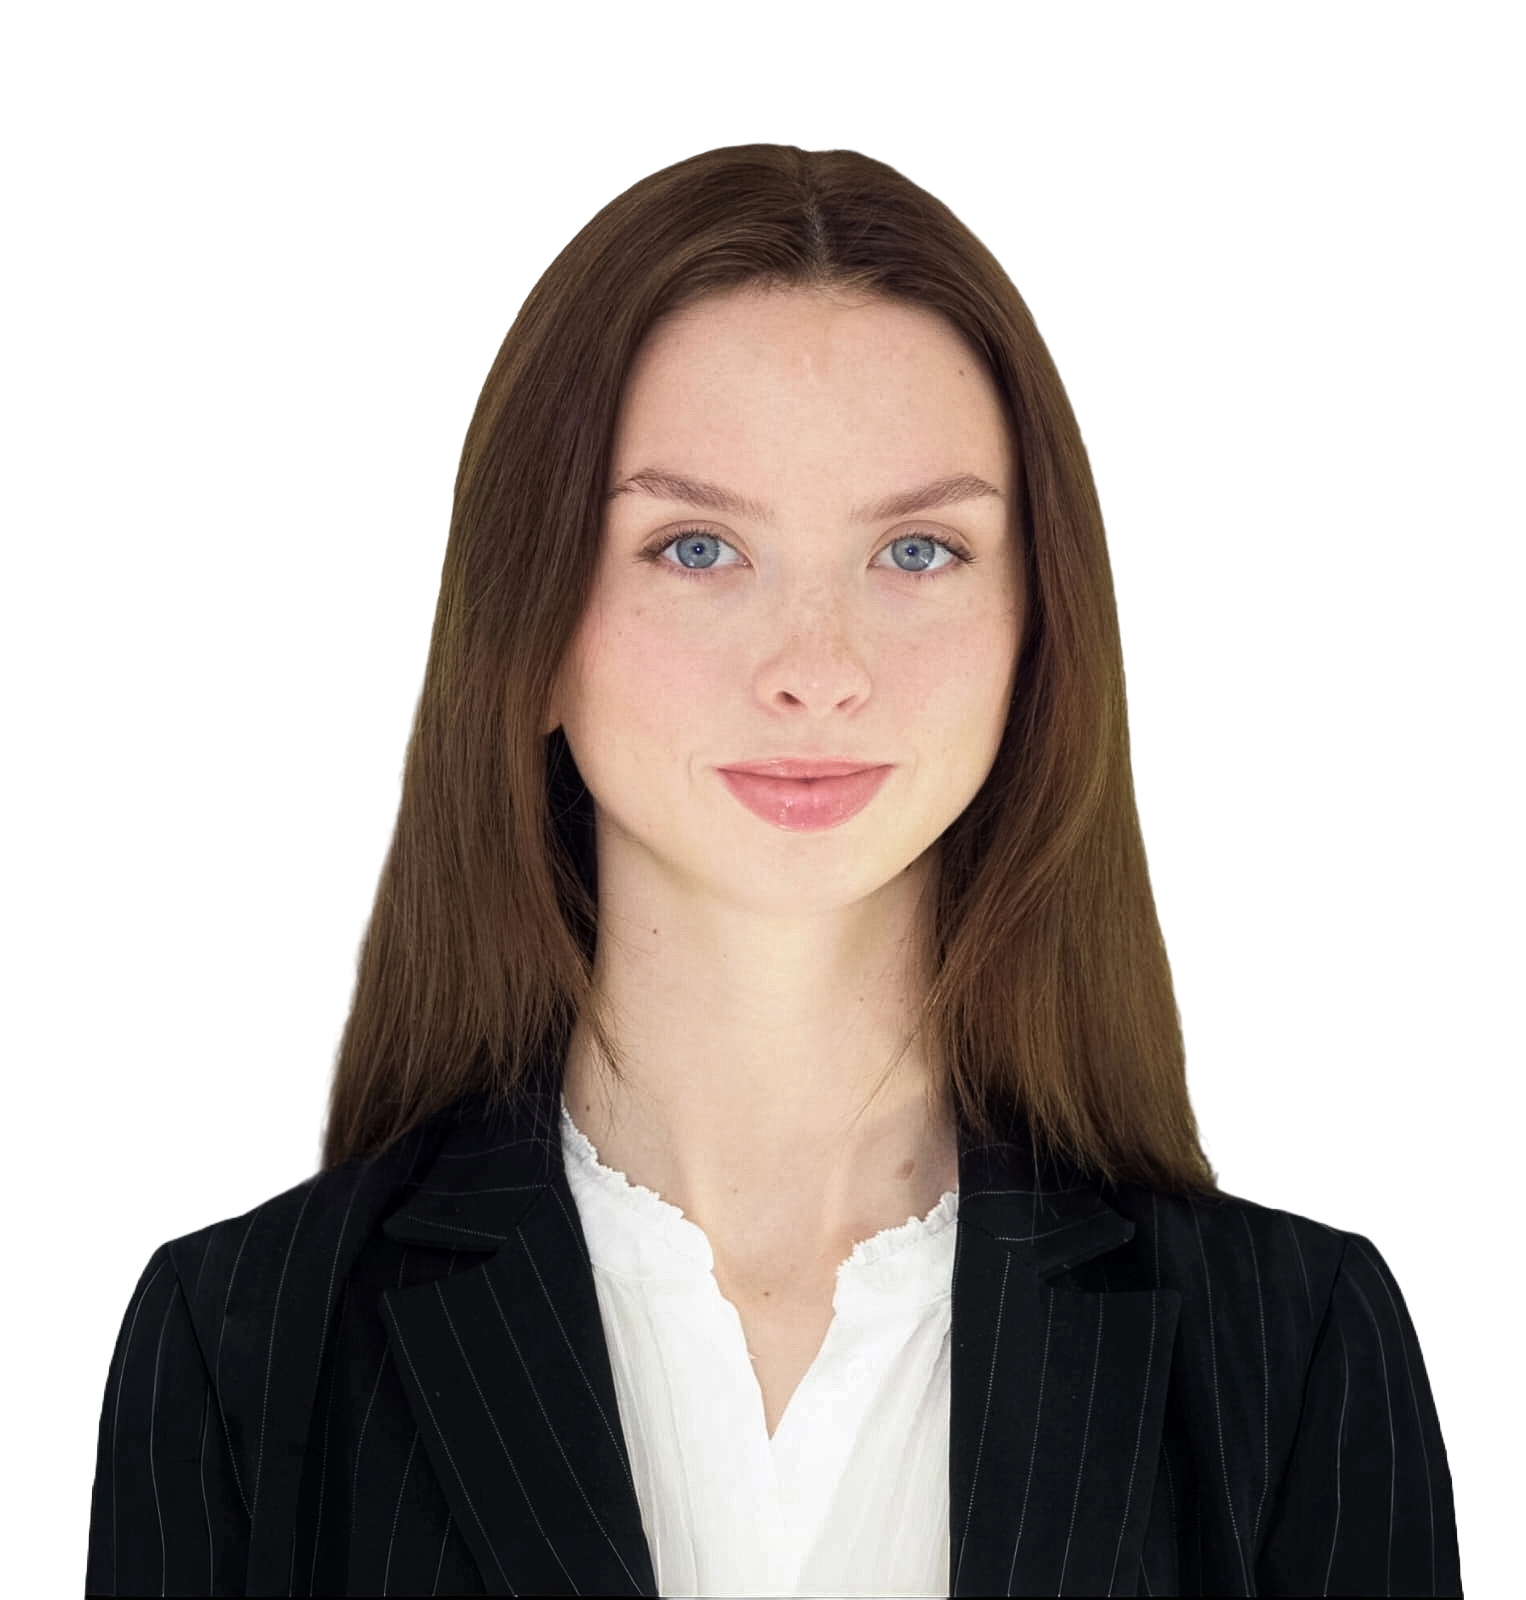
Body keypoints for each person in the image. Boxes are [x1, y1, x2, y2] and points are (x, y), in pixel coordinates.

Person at [85, 142, 1463, 1597]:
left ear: (1035, 638)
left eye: (919, 552)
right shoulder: (241, 1346)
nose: (817, 668)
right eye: (695, 547)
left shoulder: (1291, 1353)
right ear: (531, 627)